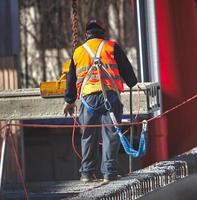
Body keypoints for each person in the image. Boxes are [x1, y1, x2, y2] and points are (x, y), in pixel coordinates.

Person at [63, 19, 137, 184]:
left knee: (88, 135)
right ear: (103, 33)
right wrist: (131, 82)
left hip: (88, 99)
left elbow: (70, 79)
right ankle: (109, 173)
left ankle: (87, 173)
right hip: (109, 97)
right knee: (111, 134)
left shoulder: (79, 52)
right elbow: (130, 77)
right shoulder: (112, 47)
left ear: (86, 34)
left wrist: (69, 100)